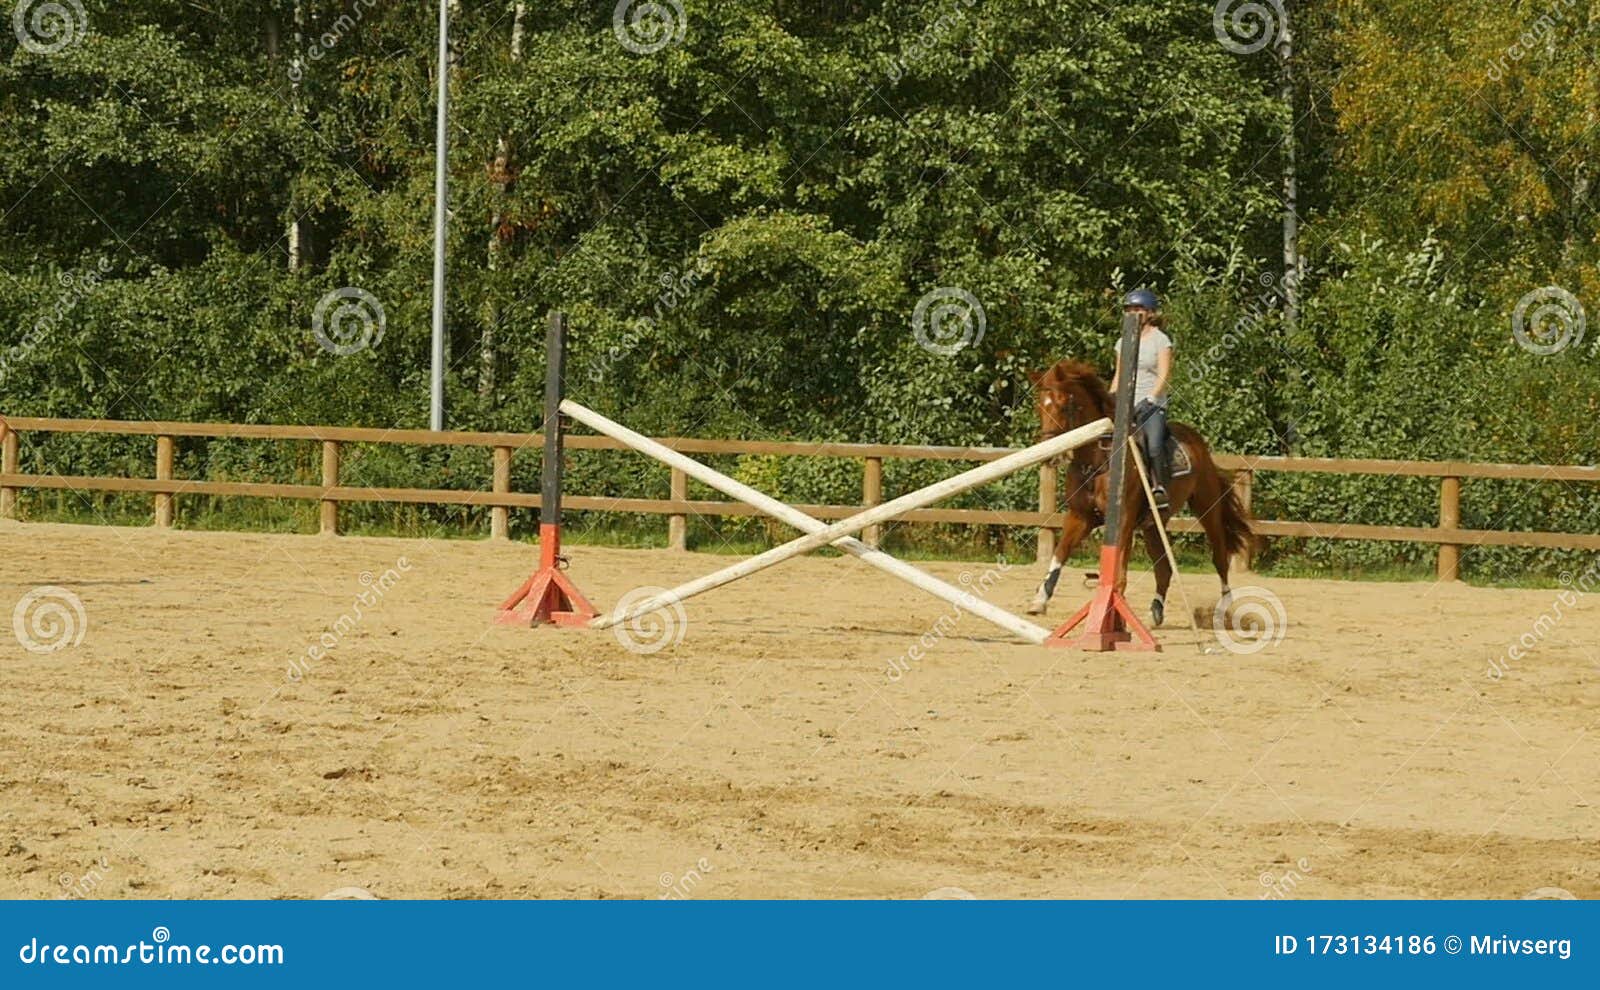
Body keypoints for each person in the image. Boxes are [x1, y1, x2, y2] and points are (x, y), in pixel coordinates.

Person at [1107, 288, 1173, 510]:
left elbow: (1164, 374)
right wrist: (1110, 398)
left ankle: (1158, 486)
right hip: (1125, 404)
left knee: (1153, 444)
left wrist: (1153, 398)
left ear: (1151, 313)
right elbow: (1119, 373)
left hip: (1151, 405)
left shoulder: (1160, 340)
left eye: (1138, 309)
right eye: (1129, 309)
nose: (1134, 313)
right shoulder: (1122, 341)